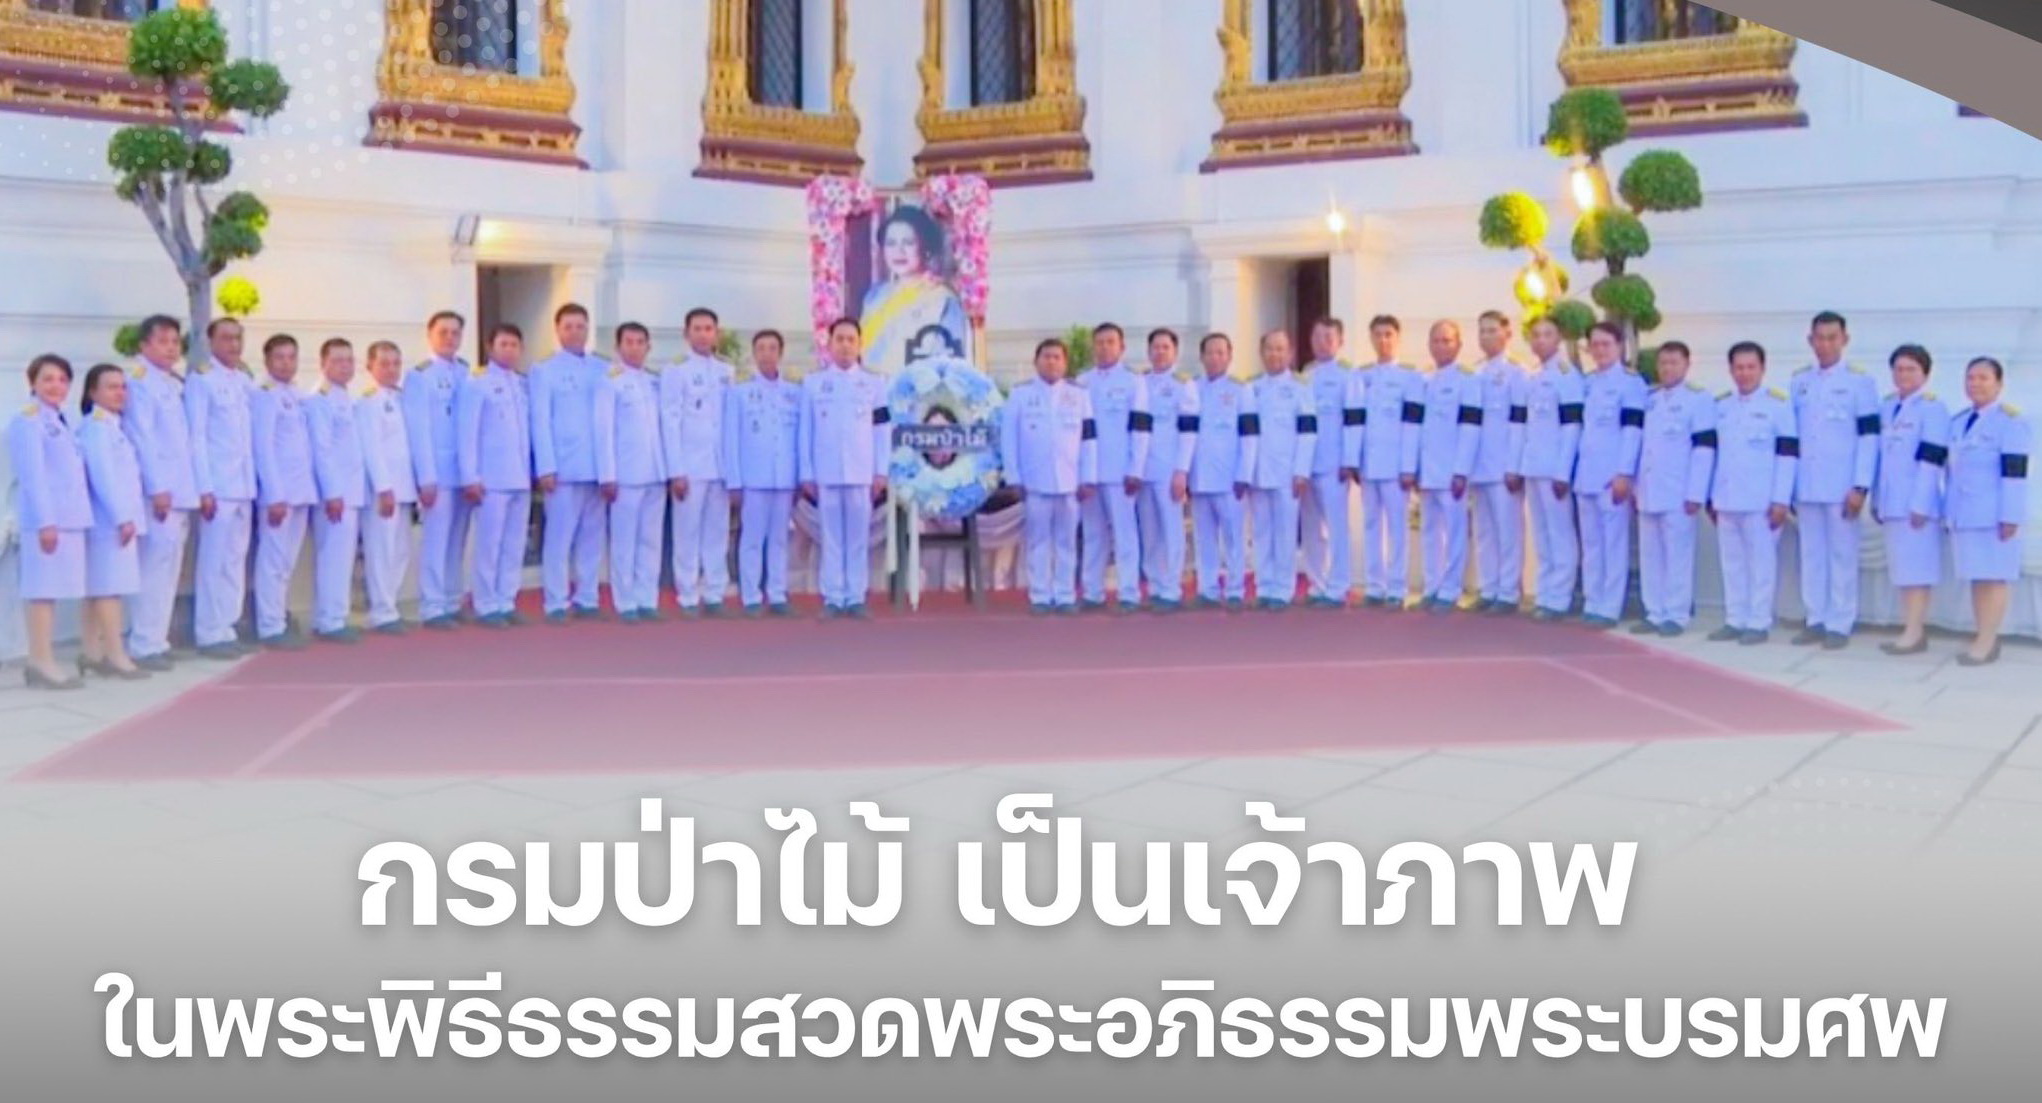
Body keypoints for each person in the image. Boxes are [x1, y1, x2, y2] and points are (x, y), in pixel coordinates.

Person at [1789, 310, 1880, 649]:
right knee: (1811, 555)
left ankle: (1840, 622)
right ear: (1810, 341)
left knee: (1842, 555)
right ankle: (1816, 618)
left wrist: (1860, 485)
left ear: (1845, 340)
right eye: (1820, 338)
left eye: (1832, 338)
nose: (1825, 345)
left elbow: (1869, 438)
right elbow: (1793, 438)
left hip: (1842, 485)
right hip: (1807, 484)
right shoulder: (1799, 382)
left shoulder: (1860, 382)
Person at [799, 317, 891, 619]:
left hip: (861, 472)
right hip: (826, 471)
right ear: (829, 344)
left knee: (857, 538)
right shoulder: (814, 384)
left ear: (860, 345)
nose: (845, 345)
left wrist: (881, 471)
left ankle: (855, 596)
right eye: (839, 339)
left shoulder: (875, 384)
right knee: (831, 537)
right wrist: (806, 473)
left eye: (851, 339)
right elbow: (805, 431)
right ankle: (833, 597)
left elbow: (882, 431)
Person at [1708, 341, 1798, 644]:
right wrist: (1711, 497)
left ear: (1762, 368)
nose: (1744, 373)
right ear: (1731, 370)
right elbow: (1716, 455)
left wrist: (1781, 499)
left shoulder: (1778, 405)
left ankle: (1758, 621)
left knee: (1761, 563)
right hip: (1727, 497)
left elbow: (1787, 455)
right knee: (1732, 562)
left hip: (1762, 500)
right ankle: (1735, 618)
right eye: (1739, 367)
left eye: (1751, 367)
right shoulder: (1721, 405)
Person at [8, 355, 89, 689]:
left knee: (52, 591)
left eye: (62, 379)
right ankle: (40, 662)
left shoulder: (59, 419)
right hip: (46, 522)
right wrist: (45, 523)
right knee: (41, 592)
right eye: (48, 379)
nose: (56, 386)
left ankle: (43, 660)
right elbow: (33, 477)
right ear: (33, 383)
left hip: (67, 518)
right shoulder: (28, 421)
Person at [122, 314, 197, 670]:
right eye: (162, 341)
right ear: (144, 345)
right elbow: (143, 438)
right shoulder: (139, 382)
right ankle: (143, 642)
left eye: (175, 342)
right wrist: (157, 487)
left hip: (179, 488)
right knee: (153, 567)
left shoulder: (170, 382)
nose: (170, 348)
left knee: (169, 568)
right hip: (160, 492)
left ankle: (157, 638)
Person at [1001, 337, 1098, 614]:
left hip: (1070, 481)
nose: (1052, 362)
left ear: (1065, 363)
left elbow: (1089, 439)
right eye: (1046, 356)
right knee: (1038, 541)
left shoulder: (1079, 395)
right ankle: (1040, 595)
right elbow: (1009, 439)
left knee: (1067, 542)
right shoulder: (1021, 394)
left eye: (1057, 357)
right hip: (1035, 481)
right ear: (1036, 362)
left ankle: (1065, 594)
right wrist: (1014, 477)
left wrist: (1088, 477)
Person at [1943, 356, 2028, 666]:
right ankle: (1983, 634)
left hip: (1994, 515)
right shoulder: (1959, 422)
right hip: (1964, 513)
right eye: (1971, 378)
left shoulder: (2010, 422)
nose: (1975, 384)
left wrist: (2010, 516)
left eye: (1983, 378)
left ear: (1999, 384)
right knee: (1977, 578)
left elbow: (2014, 474)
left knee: (1994, 578)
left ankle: (1988, 641)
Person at [1633, 341, 1718, 636]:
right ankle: (1654, 611)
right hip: (1649, 489)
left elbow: (1704, 449)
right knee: (1651, 556)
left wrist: (1696, 492)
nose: (1668, 368)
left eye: (1674, 363)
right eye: (1663, 363)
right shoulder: (1651, 399)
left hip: (1679, 492)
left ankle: (1676, 614)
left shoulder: (1698, 399)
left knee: (1677, 556)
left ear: (1686, 365)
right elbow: (1643, 447)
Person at [184, 317, 256, 659]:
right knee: (213, 561)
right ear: (211, 342)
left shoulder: (244, 380)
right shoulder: (202, 380)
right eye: (226, 338)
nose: (233, 345)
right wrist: (205, 487)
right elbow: (196, 436)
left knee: (234, 560)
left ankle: (227, 625)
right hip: (218, 485)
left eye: (238, 338)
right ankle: (209, 632)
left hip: (243, 483)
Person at [530, 303, 606, 623]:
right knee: (559, 539)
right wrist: (545, 467)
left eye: (580, 326)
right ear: (558, 330)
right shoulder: (544, 370)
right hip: (563, 467)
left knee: (592, 538)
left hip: (598, 468)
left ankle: (587, 597)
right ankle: (556, 601)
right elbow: (540, 421)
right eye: (568, 326)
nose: (575, 332)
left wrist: (609, 470)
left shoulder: (603, 368)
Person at [1873, 344, 1951, 655]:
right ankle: (1910, 627)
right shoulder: (1887, 406)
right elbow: (1882, 458)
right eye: (1899, 369)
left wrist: (1920, 504)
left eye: (1911, 369)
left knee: (1917, 570)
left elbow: (1932, 460)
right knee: (1902, 570)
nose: (1903, 374)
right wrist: (1878, 498)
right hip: (1891, 502)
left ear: (1925, 374)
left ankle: (1914, 632)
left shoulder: (1932, 409)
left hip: (1917, 506)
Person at [75, 364, 149, 680]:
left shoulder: (112, 426)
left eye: (122, 386)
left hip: (115, 519)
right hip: (109, 522)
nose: (120, 393)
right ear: (93, 392)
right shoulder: (97, 428)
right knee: (109, 589)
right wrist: (123, 518)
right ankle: (116, 655)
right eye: (111, 387)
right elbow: (103, 476)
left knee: (99, 588)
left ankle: (92, 653)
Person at [457, 324, 534, 629]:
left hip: (520, 477)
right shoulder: (477, 383)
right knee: (489, 544)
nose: (510, 350)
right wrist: (470, 477)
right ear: (490, 348)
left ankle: (506, 599)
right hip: (491, 478)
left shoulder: (522, 384)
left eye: (514, 345)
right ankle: (486, 603)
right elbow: (467, 433)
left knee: (514, 545)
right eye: (504, 344)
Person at [660, 307, 734, 618]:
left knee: (717, 533)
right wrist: (675, 470)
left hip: (721, 466)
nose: (703, 335)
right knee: (687, 533)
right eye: (697, 329)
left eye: (708, 329)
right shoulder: (676, 370)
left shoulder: (727, 371)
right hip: (690, 466)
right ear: (686, 333)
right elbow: (670, 421)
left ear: (716, 333)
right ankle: (688, 594)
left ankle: (715, 593)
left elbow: (730, 423)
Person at [594, 321, 667, 623]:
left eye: (640, 342)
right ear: (618, 347)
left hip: (655, 472)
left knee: (650, 540)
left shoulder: (655, 381)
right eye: (629, 342)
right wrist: (607, 475)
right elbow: (604, 431)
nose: (635, 348)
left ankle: (647, 598)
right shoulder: (610, 382)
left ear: (648, 347)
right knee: (624, 541)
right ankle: (625, 602)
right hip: (625, 473)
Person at [1405, 321, 1481, 614]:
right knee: (1429, 532)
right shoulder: (1423, 380)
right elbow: (1415, 429)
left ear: (1458, 345)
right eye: (1436, 341)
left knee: (1455, 532)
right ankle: (1432, 587)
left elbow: (1470, 428)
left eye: (1447, 341)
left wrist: (1461, 470)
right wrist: (1412, 467)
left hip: (1451, 472)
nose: (1441, 346)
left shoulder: (1467, 380)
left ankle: (1450, 590)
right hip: (1427, 470)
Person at [1576, 322, 1648, 629]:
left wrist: (1624, 473)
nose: (1600, 350)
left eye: (1606, 344)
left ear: (1619, 346)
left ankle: (1609, 606)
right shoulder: (1587, 382)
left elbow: (1632, 432)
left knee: (1613, 544)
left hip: (1612, 476)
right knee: (1592, 544)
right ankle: (1593, 600)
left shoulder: (1631, 383)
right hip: (1586, 475)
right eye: (1595, 344)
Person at [405, 310, 473, 629]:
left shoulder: (466, 371)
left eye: (455, 333)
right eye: (443, 332)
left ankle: (451, 599)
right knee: (436, 540)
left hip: (463, 471)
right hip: (437, 471)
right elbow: (418, 429)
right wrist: (426, 476)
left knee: (457, 540)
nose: (449, 338)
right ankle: (432, 606)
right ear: (430, 335)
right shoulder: (420, 375)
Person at [726, 329, 800, 617]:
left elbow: (798, 439)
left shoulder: (794, 393)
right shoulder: (740, 393)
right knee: (752, 539)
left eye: (772, 348)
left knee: (780, 539)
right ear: (754, 354)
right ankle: (751, 596)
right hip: (753, 478)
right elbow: (731, 439)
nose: (767, 354)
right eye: (761, 348)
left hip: (784, 478)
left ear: (781, 353)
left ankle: (778, 593)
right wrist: (734, 480)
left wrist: (799, 477)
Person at [1076, 323, 1150, 612]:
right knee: (1093, 534)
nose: (1105, 347)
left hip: (1121, 472)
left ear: (1122, 347)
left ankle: (1128, 593)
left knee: (1125, 534)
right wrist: (1080, 474)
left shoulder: (1134, 382)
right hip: (1089, 473)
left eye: (1110, 342)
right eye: (1100, 342)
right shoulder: (1081, 382)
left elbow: (1141, 429)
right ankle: (1092, 593)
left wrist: (1136, 469)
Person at [1517, 317, 1585, 621]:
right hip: (1534, 466)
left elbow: (1572, 426)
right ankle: (1544, 593)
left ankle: (1559, 597)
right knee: (1542, 536)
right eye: (1536, 335)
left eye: (1547, 334)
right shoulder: (1534, 376)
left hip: (1554, 469)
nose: (1541, 340)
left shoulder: (1566, 375)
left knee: (1560, 535)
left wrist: (1563, 471)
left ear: (1558, 339)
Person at [249, 334, 315, 650]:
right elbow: (263, 447)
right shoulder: (265, 395)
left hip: (300, 490)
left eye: (291, 357)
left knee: (286, 562)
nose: (287, 364)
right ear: (267, 361)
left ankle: (279, 617)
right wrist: (274, 495)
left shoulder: (297, 394)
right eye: (280, 357)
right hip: (280, 494)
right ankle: (269, 625)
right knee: (273, 561)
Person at [1246, 330, 1315, 610]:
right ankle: (1264, 586)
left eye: (1280, 349)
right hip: (1258, 472)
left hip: (1288, 473)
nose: (1274, 354)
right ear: (1261, 352)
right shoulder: (1252, 387)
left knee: (1285, 533)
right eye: (1269, 348)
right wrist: (1245, 473)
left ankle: (1283, 589)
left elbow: (1308, 433)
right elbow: (1247, 434)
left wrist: (1302, 471)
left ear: (1290, 353)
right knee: (1261, 532)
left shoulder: (1300, 388)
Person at [306, 339, 368, 644]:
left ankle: (335, 615)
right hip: (335, 494)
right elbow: (322, 449)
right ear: (323, 364)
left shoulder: (346, 396)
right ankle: (329, 620)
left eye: (349, 360)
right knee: (333, 557)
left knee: (342, 558)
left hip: (351, 491)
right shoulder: (320, 399)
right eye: (338, 360)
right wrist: (332, 493)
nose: (345, 366)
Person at [860, 205, 969, 376]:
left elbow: (950, 363)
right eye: (891, 243)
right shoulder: (875, 296)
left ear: (925, 247)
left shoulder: (942, 299)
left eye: (908, 242)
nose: (899, 251)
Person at [1188, 333, 1256, 610]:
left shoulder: (1241, 390)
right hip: (1199, 477)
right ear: (1201, 356)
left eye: (1220, 353)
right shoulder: (1192, 388)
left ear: (1229, 356)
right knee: (1204, 538)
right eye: (1209, 353)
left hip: (1230, 478)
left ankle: (1236, 589)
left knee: (1234, 537)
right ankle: (1208, 589)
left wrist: (1244, 474)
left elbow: (1249, 436)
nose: (1214, 358)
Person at [1299, 317, 1362, 609]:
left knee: (1336, 528)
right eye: (1317, 337)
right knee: (1311, 528)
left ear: (1340, 341)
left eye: (1329, 337)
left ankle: (1338, 586)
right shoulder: (1305, 374)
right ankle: (1317, 583)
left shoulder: (1348, 375)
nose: (1322, 343)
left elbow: (1354, 420)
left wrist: (1350, 459)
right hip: (1307, 463)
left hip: (1334, 462)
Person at [1357, 315, 1420, 608]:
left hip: (1395, 466)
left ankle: (1396, 587)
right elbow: (1357, 423)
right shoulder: (1363, 376)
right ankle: (1375, 585)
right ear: (1371, 338)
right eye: (1378, 335)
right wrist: (1355, 460)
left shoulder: (1409, 377)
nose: (1383, 340)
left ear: (1398, 338)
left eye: (1388, 334)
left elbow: (1412, 425)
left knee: (1397, 528)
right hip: (1369, 464)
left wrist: (1408, 466)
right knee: (1372, 525)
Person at [1469, 311, 1529, 614]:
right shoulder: (1475, 372)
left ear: (1507, 333)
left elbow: (1519, 423)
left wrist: (1514, 465)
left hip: (1504, 465)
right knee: (1484, 532)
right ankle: (1488, 587)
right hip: (1480, 465)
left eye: (1492, 330)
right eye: (1482, 331)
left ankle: (1508, 592)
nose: (1486, 336)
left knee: (1508, 532)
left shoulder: (1517, 372)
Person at [1135, 328, 1198, 612]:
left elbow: (1188, 432)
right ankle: (1155, 585)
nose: (1160, 352)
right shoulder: (1139, 382)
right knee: (1149, 531)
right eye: (1155, 347)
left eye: (1165, 347)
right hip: (1142, 468)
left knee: (1172, 529)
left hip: (1169, 467)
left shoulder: (1183, 385)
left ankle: (1171, 588)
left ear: (1175, 352)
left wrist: (1182, 470)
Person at [357, 341, 418, 635]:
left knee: (400, 550)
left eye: (396, 363)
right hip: (384, 490)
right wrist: (383, 488)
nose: (391, 369)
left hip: (405, 486)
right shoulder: (368, 402)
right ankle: (381, 612)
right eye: (384, 363)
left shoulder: (403, 398)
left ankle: (390, 605)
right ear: (370, 366)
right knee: (381, 550)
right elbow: (372, 449)